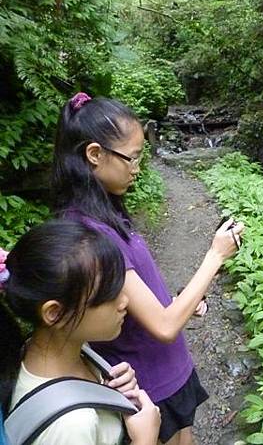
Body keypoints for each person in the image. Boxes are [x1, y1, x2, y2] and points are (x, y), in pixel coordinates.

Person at [53, 92, 244, 445]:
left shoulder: (105, 214)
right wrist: (216, 255)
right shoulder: (89, 234)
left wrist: (183, 300)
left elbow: (143, 300)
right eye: (133, 157)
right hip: (149, 390)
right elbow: (164, 325)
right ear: (95, 155)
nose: (137, 168)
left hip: (170, 374)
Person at [0, 219, 161, 445]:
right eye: (109, 294)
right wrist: (146, 439)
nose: (124, 301)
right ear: (54, 313)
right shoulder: (70, 427)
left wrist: (107, 392)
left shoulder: (42, 351)